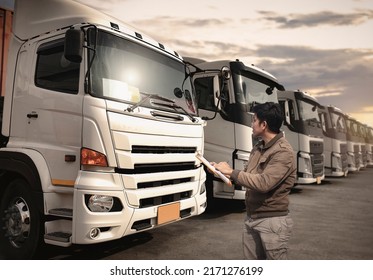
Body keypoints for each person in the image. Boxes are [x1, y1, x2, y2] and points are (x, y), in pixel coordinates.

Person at [211, 102, 296, 260]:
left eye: (254, 120)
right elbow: (248, 177)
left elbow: (264, 183)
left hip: (272, 222)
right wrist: (223, 173)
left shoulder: (283, 152)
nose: (251, 124)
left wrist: (232, 171)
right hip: (252, 218)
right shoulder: (258, 147)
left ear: (264, 125)